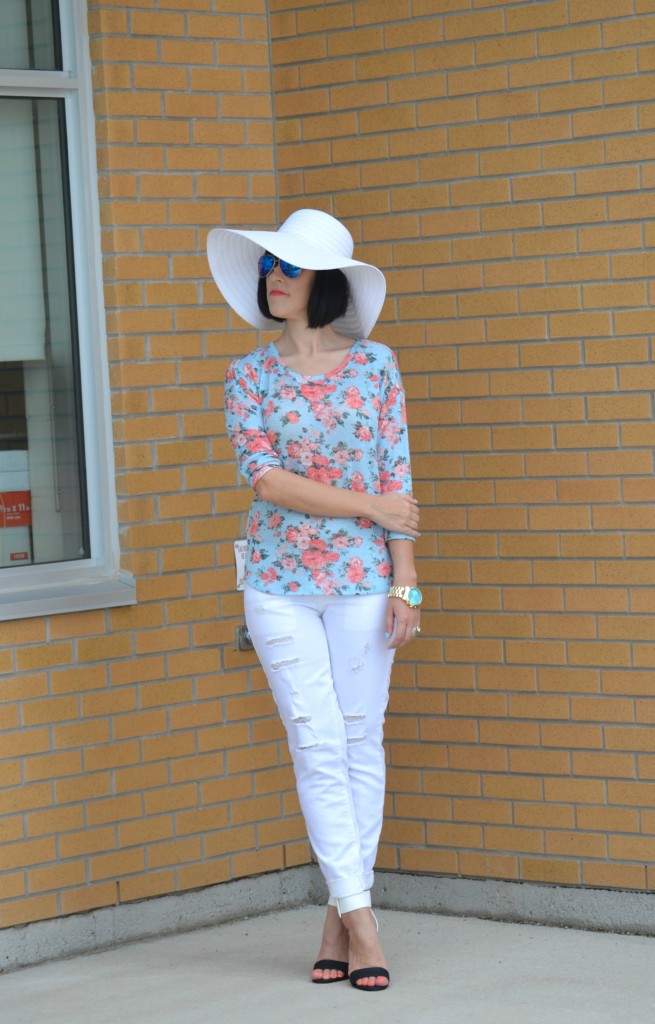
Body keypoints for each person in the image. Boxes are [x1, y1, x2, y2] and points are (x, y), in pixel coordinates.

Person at [207, 209, 422, 992]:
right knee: (315, 739)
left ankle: (339, 915)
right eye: (270, 268)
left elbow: (396, 479)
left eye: (289, 270)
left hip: (367, 584)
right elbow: (265, 480)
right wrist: (366, 508)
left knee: (361, 740)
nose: (274, 280)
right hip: (279, 586)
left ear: (322, 285)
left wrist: (405, 579)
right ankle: (365, 927)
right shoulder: (248, 375)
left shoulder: (376, 366)